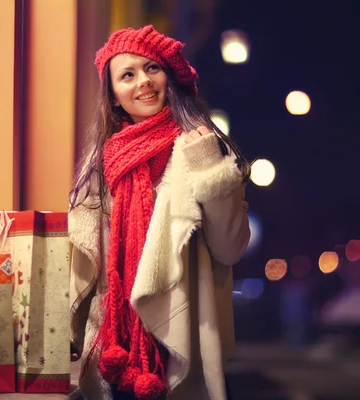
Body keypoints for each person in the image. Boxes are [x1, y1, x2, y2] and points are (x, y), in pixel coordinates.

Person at [68, 25, 251, 400]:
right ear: (114, 96)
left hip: (183, 337)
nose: (143, 82)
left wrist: (208, 171)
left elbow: (231, 248)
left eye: (152, 68)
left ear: (170, 76)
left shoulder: (200, 147)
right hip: (115, 347)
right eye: (127, 75)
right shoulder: (102, 166)